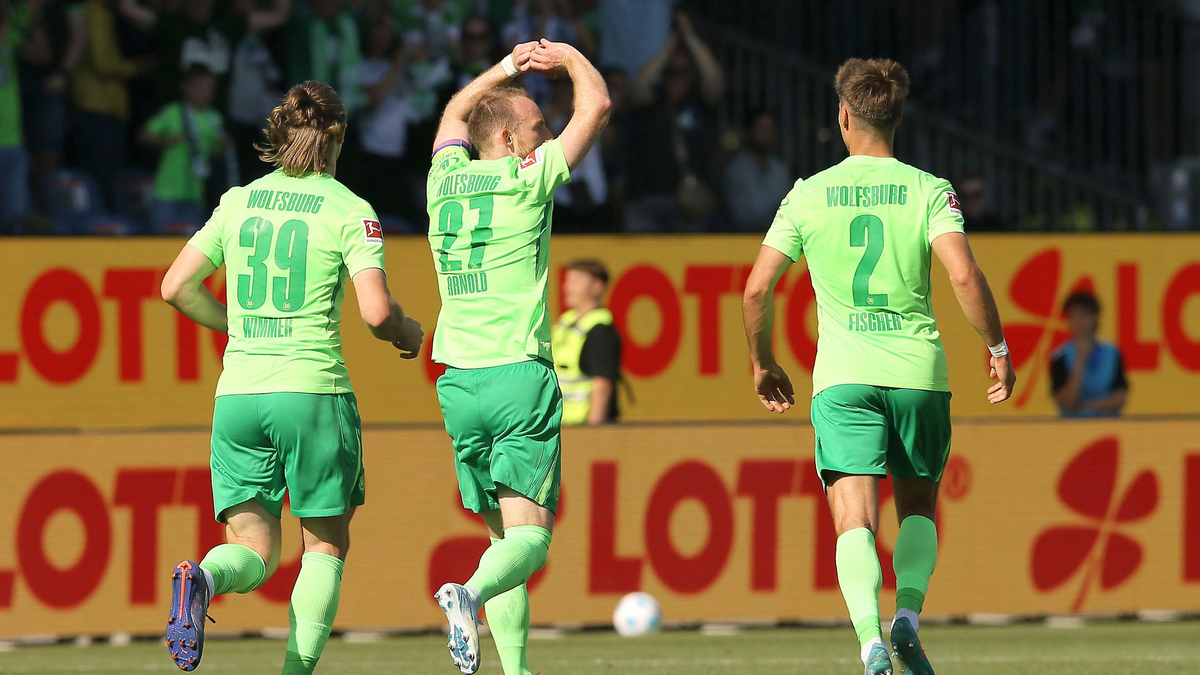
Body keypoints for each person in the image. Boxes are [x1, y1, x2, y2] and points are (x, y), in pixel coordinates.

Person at [741, 58, 1016, 675]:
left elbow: (757, 288)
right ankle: (908, 618)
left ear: (844, 116)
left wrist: (763, 362)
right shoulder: (928, 189)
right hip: (918, 373)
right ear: (897, 117)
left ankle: (869, 643)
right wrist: (997, 348)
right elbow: (963, 275)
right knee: (917, 507)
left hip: (843, 378)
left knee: (854, 519)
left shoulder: (807, 193)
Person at [158, 81, 424, 675]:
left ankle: (204, 577)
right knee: (324, 546)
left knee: (252, 552)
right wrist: (407, 334)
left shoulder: (238, 200)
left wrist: (238, 326)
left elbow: (175, 287)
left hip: (238, 394)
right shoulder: (349, 208)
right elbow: (376, 313)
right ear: (340, 136)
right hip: (311, 390)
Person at [427, 38, 609, 675]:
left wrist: (506, 67)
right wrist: (568, 57)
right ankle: (468, 596)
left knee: (501, 536)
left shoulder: (442, 181)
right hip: (517, 375)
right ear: (507, 138)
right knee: (530, 537)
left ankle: (516, 669)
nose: (547, 134)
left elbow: (456, 110)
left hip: (458, 382)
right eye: (537, 127)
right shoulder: (527, 178)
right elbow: (596, 107)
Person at [625, 11, 722, 232]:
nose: (676, 78)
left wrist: (689, 37)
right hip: (648, 200)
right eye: (670, 72)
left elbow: (714, 80)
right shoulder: (653, 101)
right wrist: (671, 44)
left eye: (683, 72)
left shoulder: (700, 102)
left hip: (690, 204)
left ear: (693, 74)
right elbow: (639, 86)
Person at [139, 64, 228, 234]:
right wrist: (166, 141)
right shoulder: (173, 112)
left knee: (192, 242)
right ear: (186, 87)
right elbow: (144, 135)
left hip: (195, 192)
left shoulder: (214, 119)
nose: (205, 92)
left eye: (209, 88)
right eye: (200, 87)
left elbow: (217, 153)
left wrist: (224, 146)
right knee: (159, 240)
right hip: (167, 191)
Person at [553, 259, 621, 424]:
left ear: (597, 286)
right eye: (567, 281)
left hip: (582, 427)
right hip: (560, 425)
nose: (567, 287)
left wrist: (592, 433)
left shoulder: (600, 330)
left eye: (576, 281)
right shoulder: (565, 322)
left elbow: (602, 385)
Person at [1051, 291, 1128, 417]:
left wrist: (1086, 407)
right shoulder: (1060, 355)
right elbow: (1067, 402)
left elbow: (1120, 398)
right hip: (1071, 425)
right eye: (1074, 315)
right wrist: (1080, 360)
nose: (1079, 321)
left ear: (1095, 317)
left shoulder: (1112, 352)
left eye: (1084, 315)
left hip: (1107, 423)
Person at [725, 109, 792, 231]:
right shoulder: (736, 169)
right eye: (762, 129)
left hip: (780, 236)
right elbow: (741, 216)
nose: (767, 134)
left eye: (771, 129)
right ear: (749, 132)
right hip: (742, 237)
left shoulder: (780, 169)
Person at [0, 0, 31, 227]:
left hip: (12, 144)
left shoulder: (9, 43)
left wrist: (22, 17)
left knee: (16, 222)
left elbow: (41, 53)